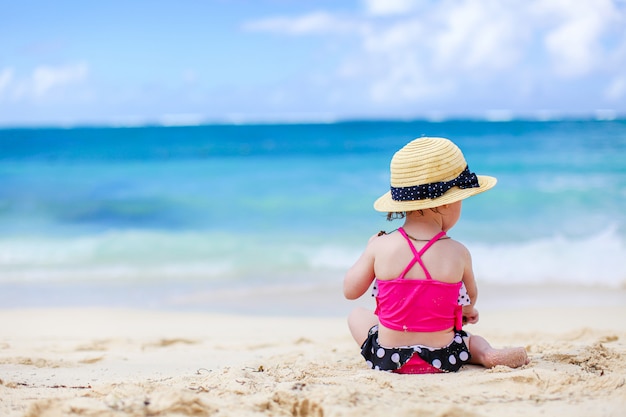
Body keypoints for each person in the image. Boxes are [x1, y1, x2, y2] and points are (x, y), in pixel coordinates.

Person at [344, 137, 528, 374]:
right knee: (470, 339)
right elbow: (469, 300)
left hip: (388, 359)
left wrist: (369, 248)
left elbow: (350, 291)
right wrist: (467, 312)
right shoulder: (459, 252)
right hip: (445, 358)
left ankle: (398, 343)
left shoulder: (380, 246)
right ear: (444, 204)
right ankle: (486, 354)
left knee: (357, 315)